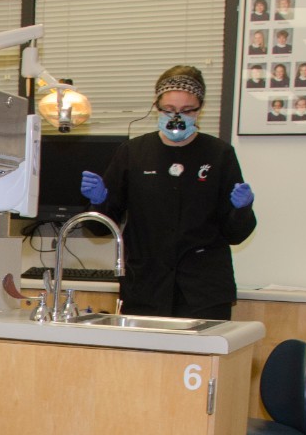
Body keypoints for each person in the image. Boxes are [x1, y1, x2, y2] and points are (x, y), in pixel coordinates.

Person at [79, 66, 257, 320]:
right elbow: (99, 228)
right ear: (157, 107)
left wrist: (242, 209)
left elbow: (236, 234)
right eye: (169, 110)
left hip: (203, 292)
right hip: (145, 289)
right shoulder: (133, 153)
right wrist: (98, 203)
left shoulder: (219, 154)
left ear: (200, 110)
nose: (177, 117)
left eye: (187, 111)